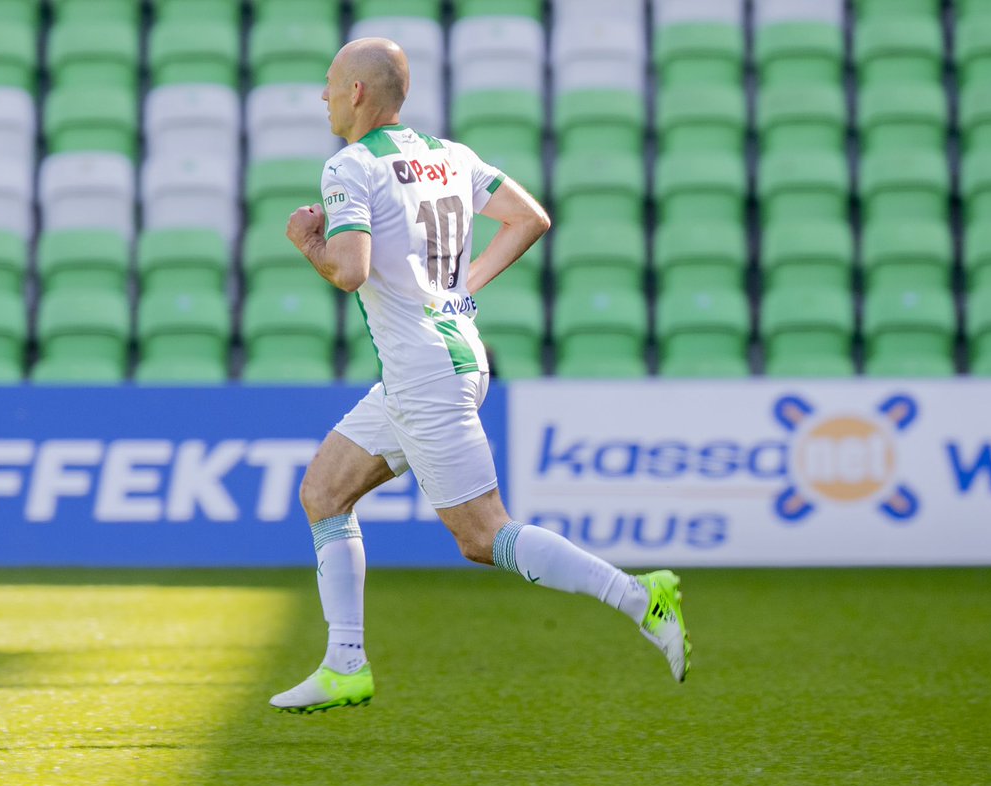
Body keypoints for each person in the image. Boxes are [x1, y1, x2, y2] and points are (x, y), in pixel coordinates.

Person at [270, 38, 690, 714]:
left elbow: (348, 270)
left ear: (355, 93)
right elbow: (530, 217)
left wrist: (306, 242)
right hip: (444, 359)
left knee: (482, 535)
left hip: (423, 376)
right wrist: (464, 287)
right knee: (323, 491)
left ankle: (640, 596)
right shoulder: (448, 156)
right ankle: (345, 662)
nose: (322, 96)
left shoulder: (349, 167)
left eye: (328, 83)